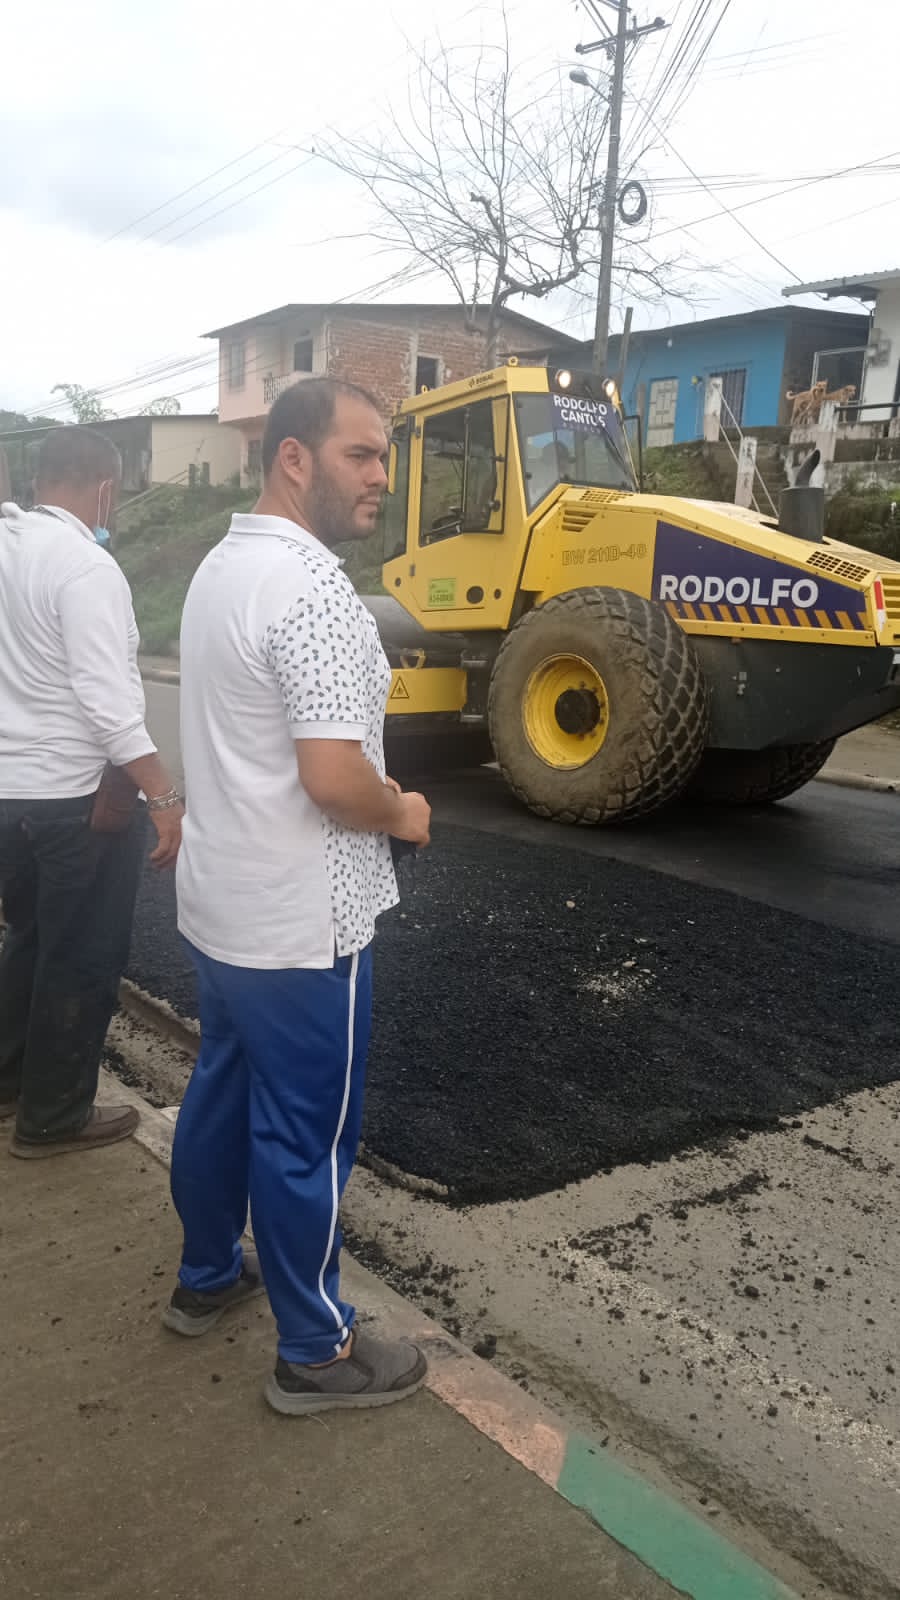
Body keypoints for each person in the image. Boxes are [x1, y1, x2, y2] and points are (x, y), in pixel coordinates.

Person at [165, 377, 432, 1415]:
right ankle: (317, 1351)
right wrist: (404, 810)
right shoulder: (314, 590)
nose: (381, 476)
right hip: (301, 925)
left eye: (383, 456)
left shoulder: (221, 569)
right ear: (293, 458)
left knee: (221, 1092)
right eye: (361, 454)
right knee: (304, 1135)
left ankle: (204, 1276)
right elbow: (333, 778)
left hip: (221, 909)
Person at [0, 428, 183, 1157]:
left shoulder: (8, 546)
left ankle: (9, 1080)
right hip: (75, 804)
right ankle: (53, 1117)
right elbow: (108, 702)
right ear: (106, 488)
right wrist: (162, 798)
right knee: (80, 957)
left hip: (9, 799)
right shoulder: (85, 566)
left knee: (29, 940)